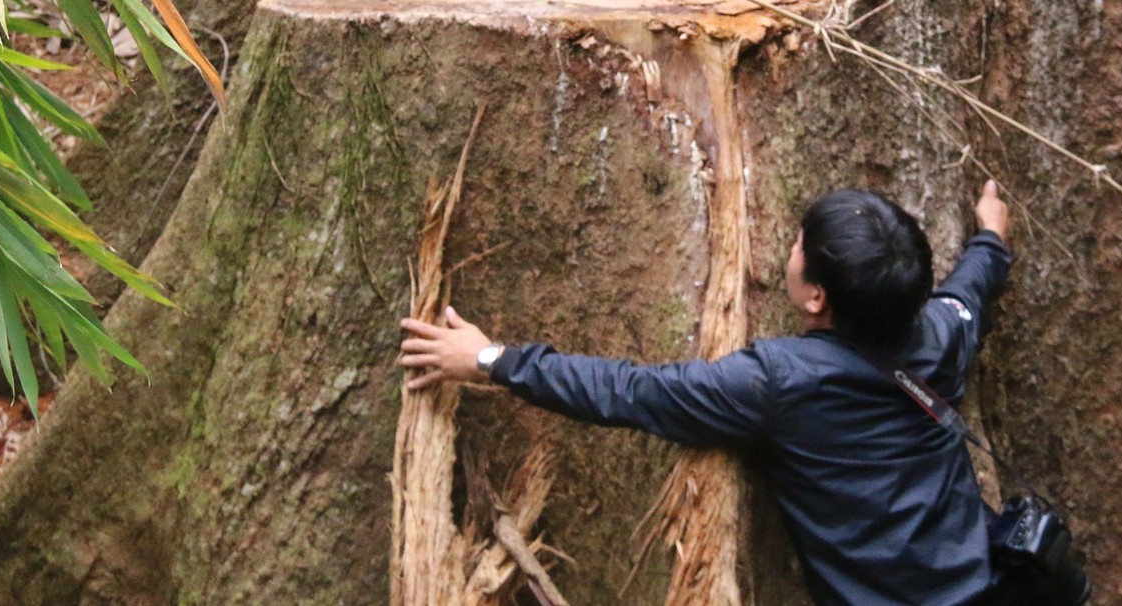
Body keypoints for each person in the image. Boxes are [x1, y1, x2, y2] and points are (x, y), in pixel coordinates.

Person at [398, 180, 1017, 606]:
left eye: (800, 242)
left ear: (816, 298)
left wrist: (489, 358)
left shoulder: (777, 383)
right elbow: (970, 290)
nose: (792, 245)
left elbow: (631, 391)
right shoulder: (941, 337)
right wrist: (990, 235)